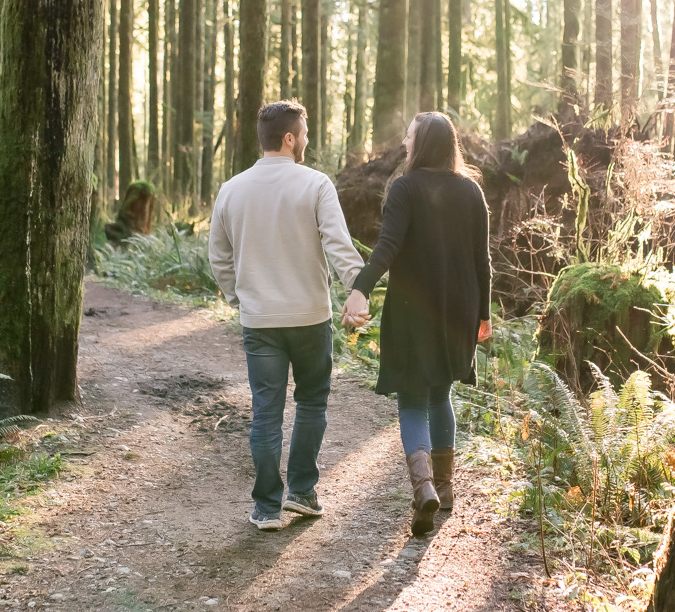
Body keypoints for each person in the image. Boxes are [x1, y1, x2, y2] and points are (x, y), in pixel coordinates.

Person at [210, 101, 363, 532]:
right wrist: (358, 288)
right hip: (311, 318)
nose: (308, 140)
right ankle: (302, 492)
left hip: (260, 320)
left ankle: (266, 508)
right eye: (306, 132)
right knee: (311, 401)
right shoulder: (315, 184)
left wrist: (237, 296)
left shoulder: (231, 189)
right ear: (290, 138)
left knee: (265, 412)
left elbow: (219, 256)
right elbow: (338, 245)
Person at [342, 112, 492, 537]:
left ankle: (423, 486)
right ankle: (444, 489)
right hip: (459, 310)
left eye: (408, 137)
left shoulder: (405, 188)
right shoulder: (471, 192)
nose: (404, 143)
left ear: (422, 142)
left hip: (412, 310)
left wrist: (360, 289)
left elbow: (386, 247)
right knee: (441, 390)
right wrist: (483, 314)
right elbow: (483, 262)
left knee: (412, 399)